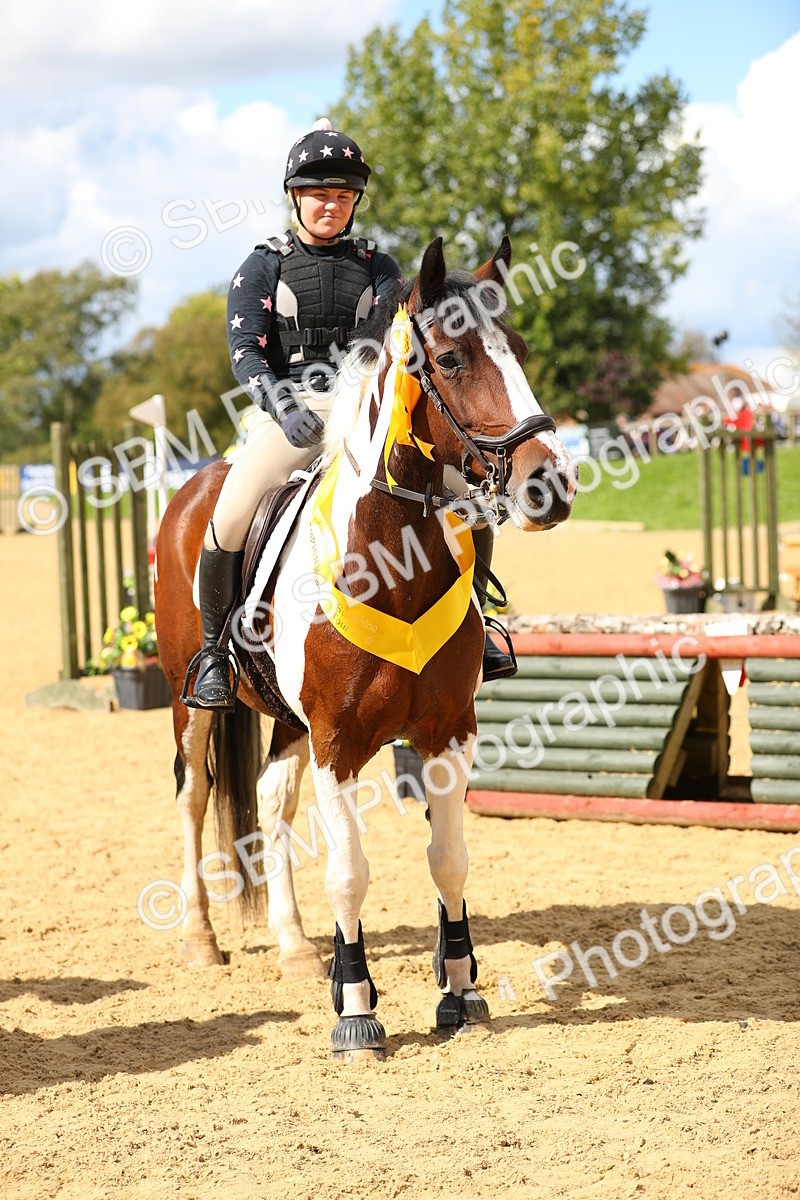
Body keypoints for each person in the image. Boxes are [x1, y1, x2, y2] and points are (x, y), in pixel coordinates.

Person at [185, 118, 515, 710]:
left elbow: (394, 347)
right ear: (295, 198)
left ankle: (480, 622)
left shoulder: (379, 269)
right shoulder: (262, 267)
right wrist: (282, 405)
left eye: (341, 196)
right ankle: (215, 651)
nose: (330, 206)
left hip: (365, 409)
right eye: (318, 195)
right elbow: (246, 352)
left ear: (354, 202)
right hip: (291, 412)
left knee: (467, 494)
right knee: (231, 509)